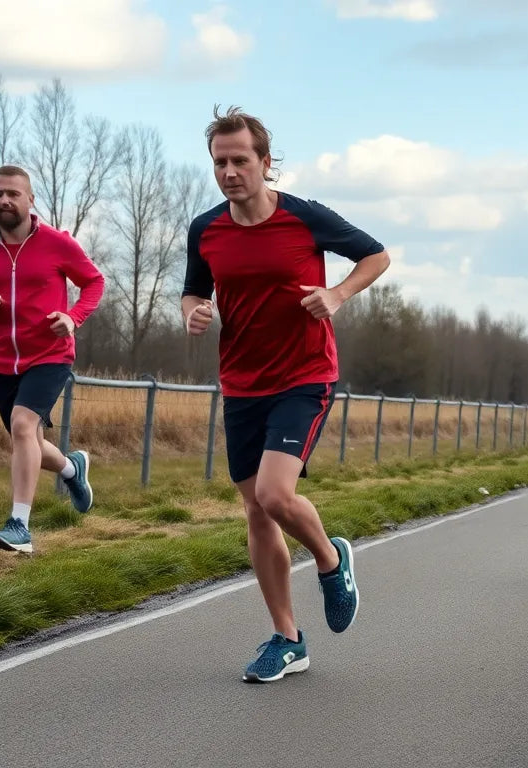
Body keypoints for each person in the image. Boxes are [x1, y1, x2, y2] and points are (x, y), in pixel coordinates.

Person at [182, 106, 391, 683]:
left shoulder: (304, 217)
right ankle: (288, 639)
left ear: (266, 163)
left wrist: (340, 294)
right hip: (241, 382)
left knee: (275, 495)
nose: (229, 172)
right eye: (219, 162)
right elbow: (194, 290)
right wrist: (194, 314)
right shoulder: (206, 228)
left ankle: (331, 558)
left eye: (240, 160)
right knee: (255, 509)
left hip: (303, 375)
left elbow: (377, 254)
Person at [0, 165, 104, 554]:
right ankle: (72, 469)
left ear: (30, 200)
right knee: (29, 439)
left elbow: (94, 282)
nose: (4, 200)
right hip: (2, 361)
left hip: (50, 355)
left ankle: (20, 526)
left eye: (13, 194)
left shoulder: (57, 243)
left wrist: (72, 317)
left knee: (22, 426)